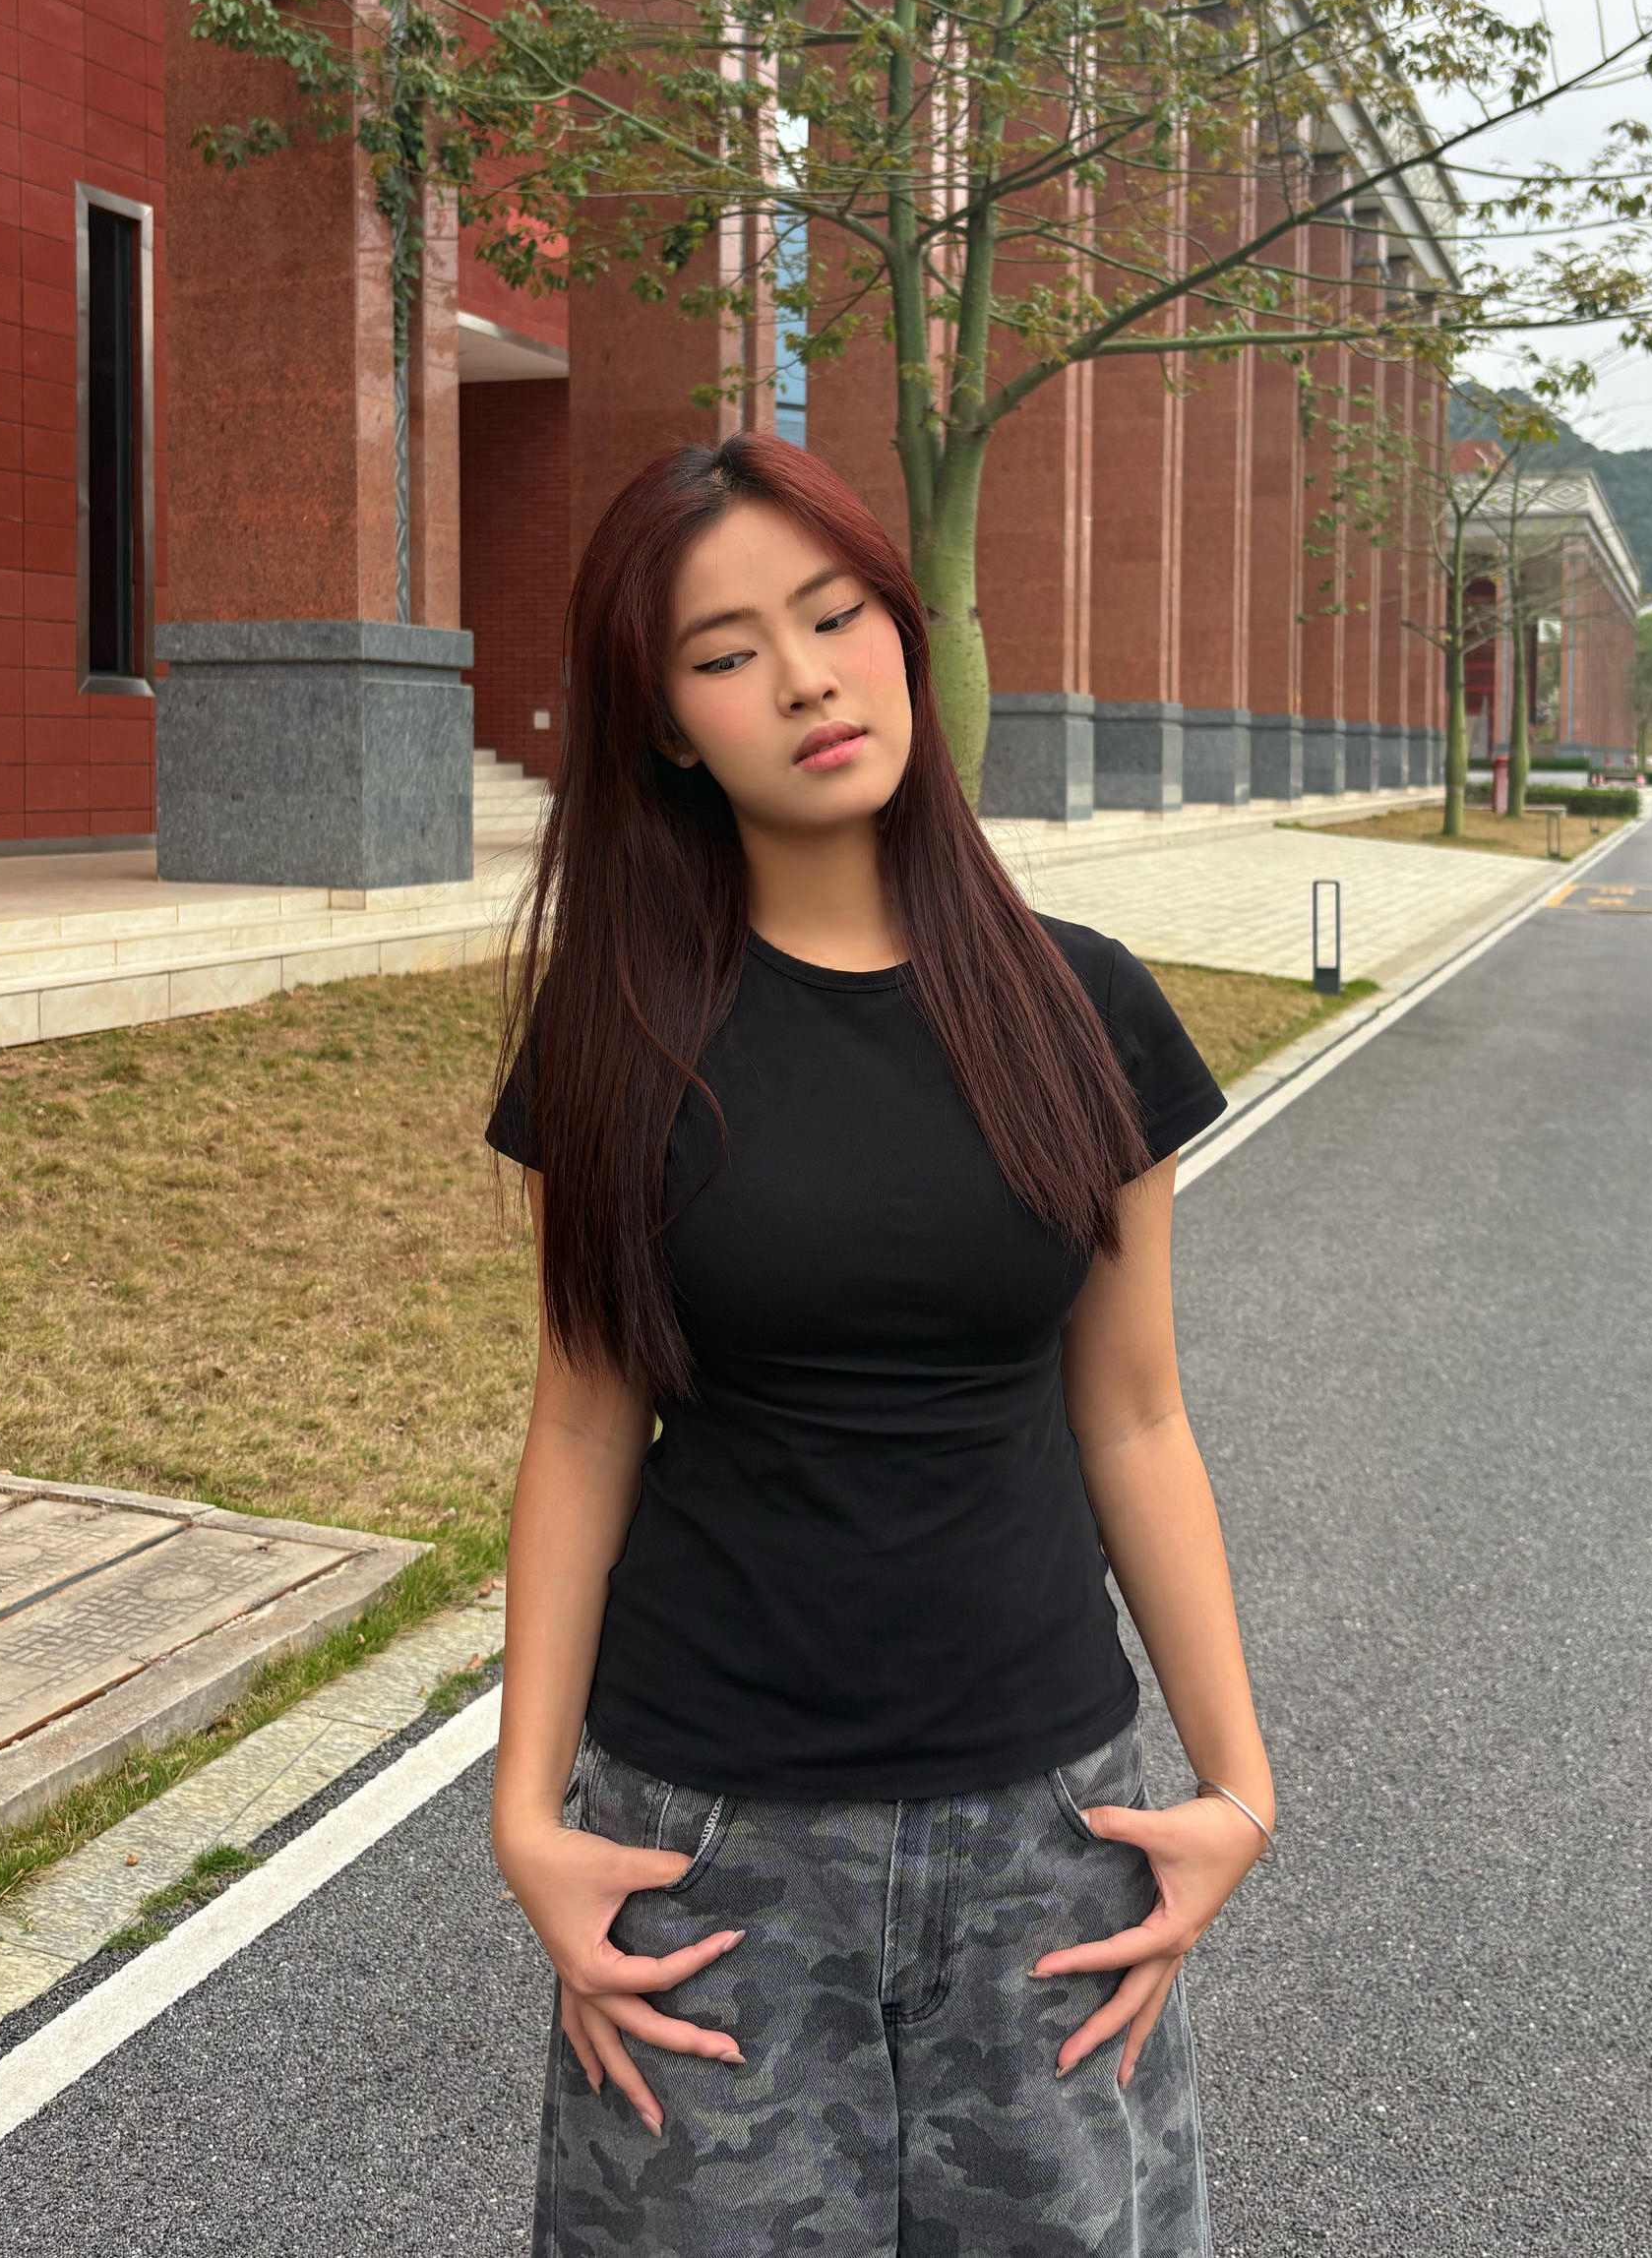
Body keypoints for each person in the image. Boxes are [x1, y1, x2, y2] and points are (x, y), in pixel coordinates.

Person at [485, 433, 1275, 2257]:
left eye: (834, 615)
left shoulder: (1082, 1007)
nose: (804, 679)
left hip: (1046, 1833)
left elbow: (1133, 1419)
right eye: (725, 651)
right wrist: (526, 1813)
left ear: (903, 635)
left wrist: (1235, 1785)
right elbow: (584, 1428)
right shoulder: (621, 1034)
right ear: (667, 724)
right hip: (707, 1842)